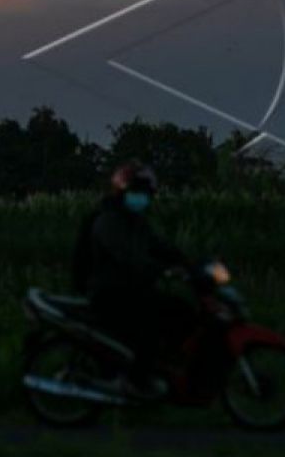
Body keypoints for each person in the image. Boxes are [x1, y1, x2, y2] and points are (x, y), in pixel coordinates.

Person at [71, 161, 194, 398]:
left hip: (130, 289)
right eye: (137, 193)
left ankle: (159, 372)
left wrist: (189, 263)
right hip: (111, 293)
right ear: (123, 192)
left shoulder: (135, 221)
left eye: (145, 194)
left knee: (181, 310)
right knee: (152, 323)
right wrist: (162, 270)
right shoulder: (109, 222)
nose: (141, 198)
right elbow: (130, 258)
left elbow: (159, 246)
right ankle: (133, 381)